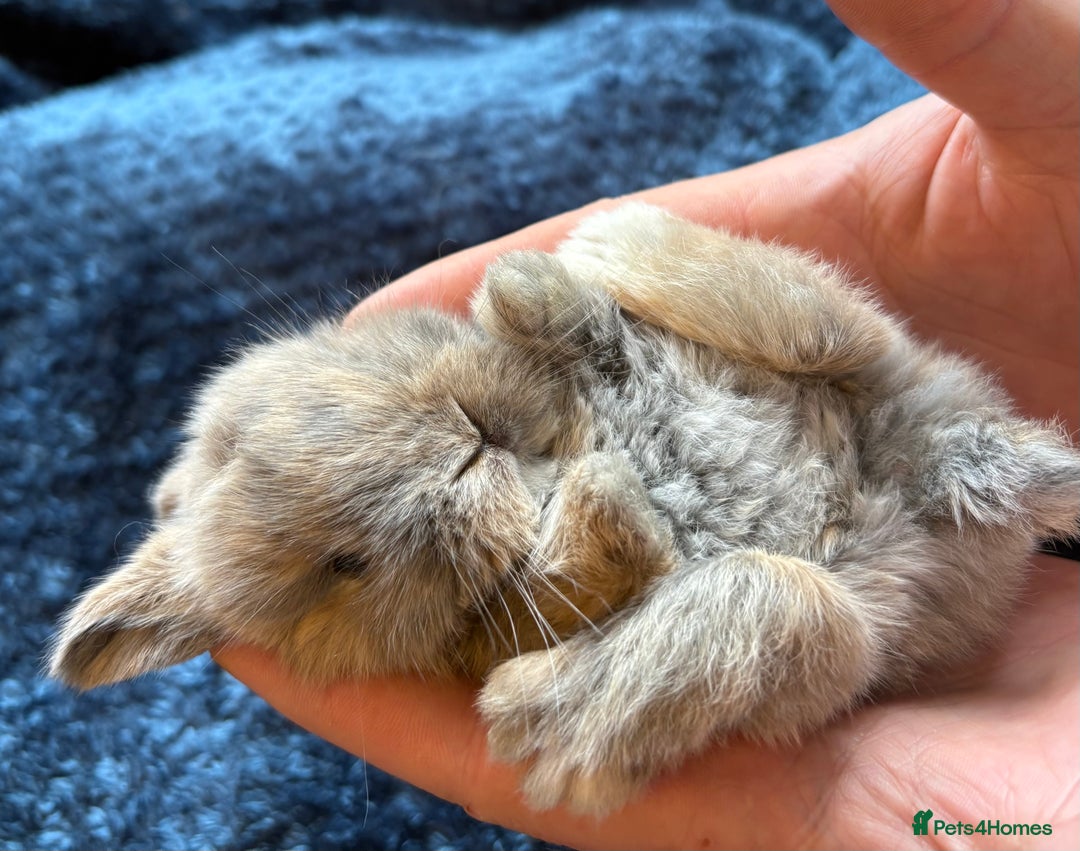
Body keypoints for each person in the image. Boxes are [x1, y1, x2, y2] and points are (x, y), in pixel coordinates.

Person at [215, 0, 1079, 847]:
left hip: (888, 427)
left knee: (625, 248)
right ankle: (602, 708)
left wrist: (584, 342)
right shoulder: (490, 593)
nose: (451, 463)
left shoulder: (507, 367)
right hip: (853, 583)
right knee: (777, 603)